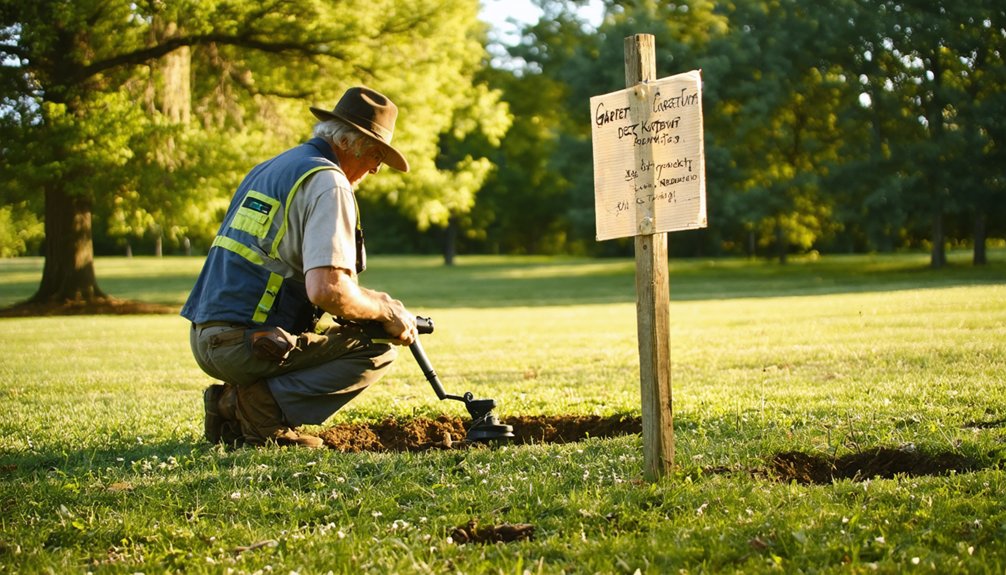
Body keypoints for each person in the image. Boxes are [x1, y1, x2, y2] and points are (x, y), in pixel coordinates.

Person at [181, 86, 419, 448]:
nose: (374, 169)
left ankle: (227, 405)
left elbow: (294, 272)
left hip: (208, 336)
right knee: (377, 347)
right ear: (351, 143)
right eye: (375, 155)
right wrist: (385, 312)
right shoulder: (330, 183)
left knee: (350, 327)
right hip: (246, 344)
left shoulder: (273, 168)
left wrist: (374, 300)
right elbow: (328, 290)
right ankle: (257, 412)